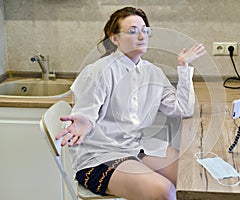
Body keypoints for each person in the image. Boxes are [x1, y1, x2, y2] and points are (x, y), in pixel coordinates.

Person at [56, 7, 205, 200]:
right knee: (164, 191)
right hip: (99, 156)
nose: (142, 36)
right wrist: (84, 121)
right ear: (114, 38)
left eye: (145, 30)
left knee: (190, 177)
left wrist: (184, 67)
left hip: (135, 146)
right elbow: (85, 113)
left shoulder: (153, 73)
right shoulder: (99, 71)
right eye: (133, 31)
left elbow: (182, 109)